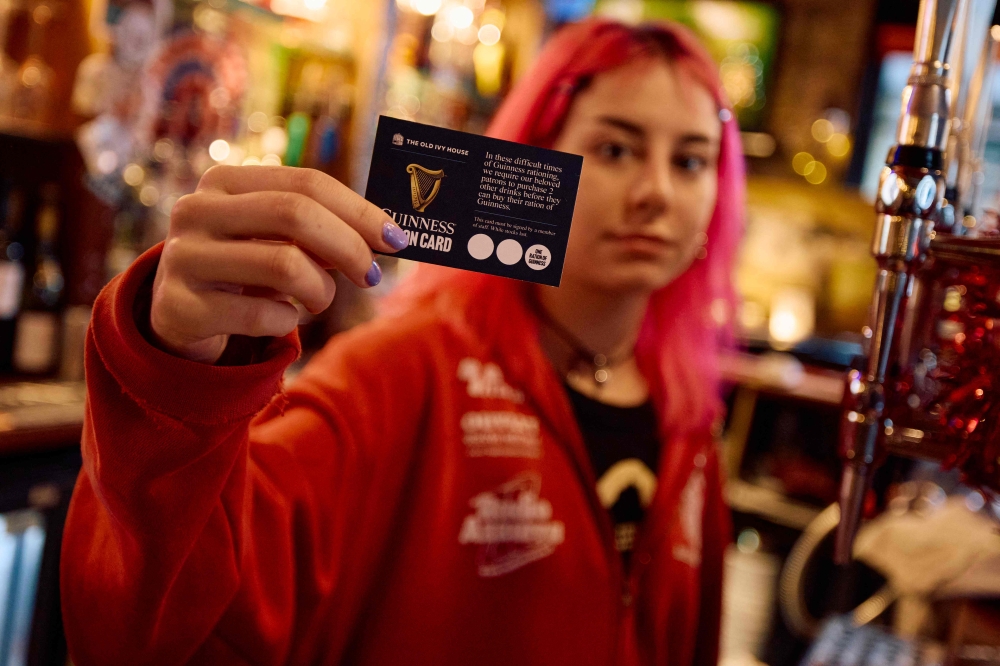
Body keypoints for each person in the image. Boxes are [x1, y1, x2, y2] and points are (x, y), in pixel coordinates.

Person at [60, 17, 744, 666]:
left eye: (690, 161)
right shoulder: (399, 374)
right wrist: (172, 370)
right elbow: (172, 621)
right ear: (528, 160)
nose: (657, 192)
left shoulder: (689, 415)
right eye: (616, 149)